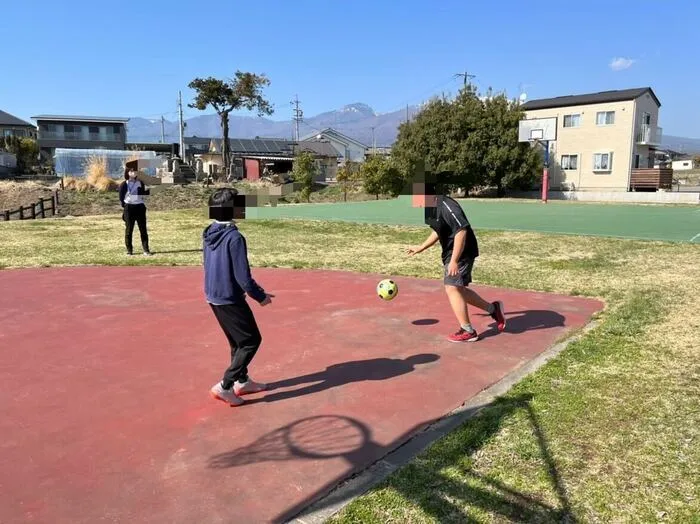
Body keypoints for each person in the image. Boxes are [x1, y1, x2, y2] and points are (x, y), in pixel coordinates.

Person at [407, 181, 506, 342]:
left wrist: (454, 260)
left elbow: (461, 231)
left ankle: (468, 331)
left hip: (462, 251)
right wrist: (421, 247)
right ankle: (493, 309)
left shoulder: (447, 206)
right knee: (459, 291)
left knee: (452, 287)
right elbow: (437, 231)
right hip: (450, 252)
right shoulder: (430, 209)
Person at [203, 187, 274, 407]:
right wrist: (260, 296)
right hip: (230, 298)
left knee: (237, 342)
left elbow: (208, 264)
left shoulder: (208, 232)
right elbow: (243, 277)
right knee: (251, 341)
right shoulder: (235, 237)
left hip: (213, 296)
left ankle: (242, 381)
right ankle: (225, 385)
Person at [118, 167, 152, 256]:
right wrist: (125, 205)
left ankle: (146, 250)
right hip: (129, 208)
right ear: (127, 173)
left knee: (143, 229)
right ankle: (129, 250)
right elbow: (121, 197)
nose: (134, 173)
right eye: (131, 171)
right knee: (129, 230)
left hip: (140, 207)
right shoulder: (124, 184)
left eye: (135, 171)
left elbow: (145, 193)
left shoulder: (140, 182)